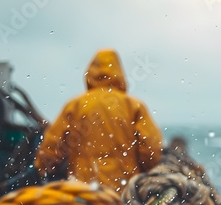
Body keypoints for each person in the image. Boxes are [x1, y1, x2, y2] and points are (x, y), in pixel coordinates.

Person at [34, 49, 163, 194]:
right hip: (124, 192)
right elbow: (150, 148)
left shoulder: (75, 105)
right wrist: (147, 169)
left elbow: (52, 147)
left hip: (83, 190)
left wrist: (42, 169)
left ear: (90, 73)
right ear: (119, 73)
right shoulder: (134, 107)